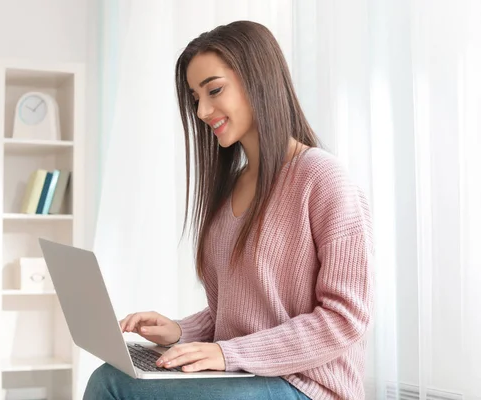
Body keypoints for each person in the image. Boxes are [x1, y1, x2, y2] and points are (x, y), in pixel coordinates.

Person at [83, 20, 374, 400]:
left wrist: (227, 353)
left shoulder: (321, 178)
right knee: (112, 373)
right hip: (249, 376)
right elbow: (242, 312)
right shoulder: (229, 192)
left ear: (259, 80)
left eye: (214, 90)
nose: (202, 110)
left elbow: (344, 319)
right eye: (195, 98)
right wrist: (180, 332)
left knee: (111, 385)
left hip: (307, 386)